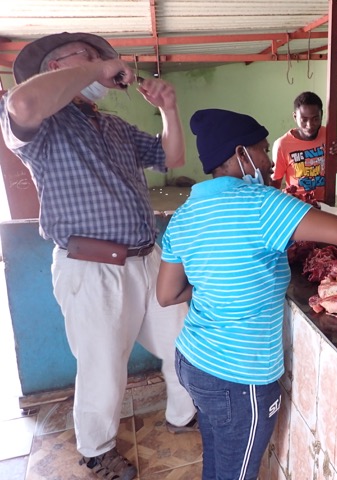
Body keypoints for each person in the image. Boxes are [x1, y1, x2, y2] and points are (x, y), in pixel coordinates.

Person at [157, 108, 337, 480]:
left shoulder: (186, 213)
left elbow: (167, 294)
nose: (268, 160)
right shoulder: (262, 204)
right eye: (263, 149)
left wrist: (216, 279)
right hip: (238, 376)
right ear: (240, 154)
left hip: (192, 359)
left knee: (217, 457)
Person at [0, 32, 197, 480]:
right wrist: (99, 68)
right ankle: (96, 449)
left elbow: (172, 155)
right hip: (91, 268)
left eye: (102, 58)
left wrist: (168, 108)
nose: (105, 64)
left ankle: (183, 415)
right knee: (103, 366)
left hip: (148, 259)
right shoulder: (42, 125)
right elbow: (22, 107)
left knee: (184, 342)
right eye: (88, 57)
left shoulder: (112, 125)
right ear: (56, 69)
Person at [271, 91, 337, 201]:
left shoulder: (328, 135)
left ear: (321, 115)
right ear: (295, 117)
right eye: (304, 119)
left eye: (315, 119)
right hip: (297, 206)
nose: (310, 125)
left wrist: (335, 156)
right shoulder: (282, 145)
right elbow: (275, 183)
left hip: (325, 204)